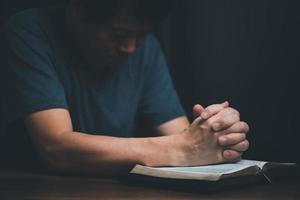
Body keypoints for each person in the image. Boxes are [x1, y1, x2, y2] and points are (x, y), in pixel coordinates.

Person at [0, 0, 249, 176]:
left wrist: (217, 134)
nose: (130, 47)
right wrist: (182, 148)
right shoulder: (29, 32)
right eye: (118, 34)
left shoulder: (146, 49)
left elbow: (183, 137)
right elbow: (56, 149)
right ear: (78, 7)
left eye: (140, 35)